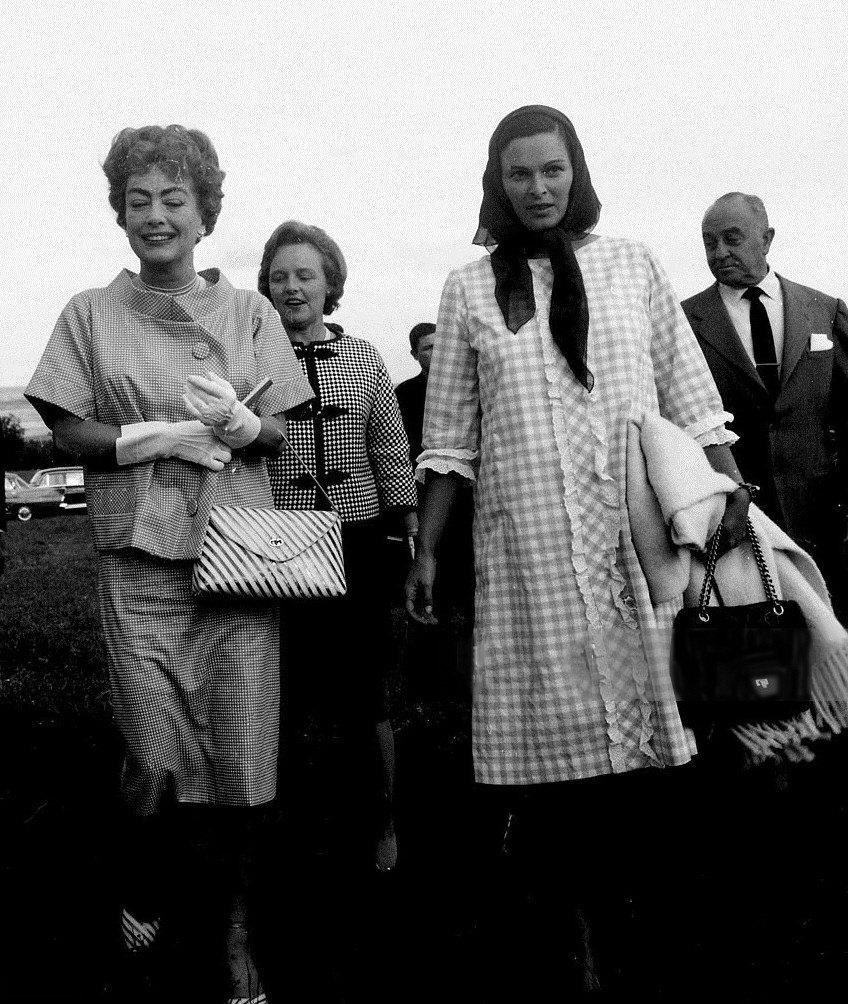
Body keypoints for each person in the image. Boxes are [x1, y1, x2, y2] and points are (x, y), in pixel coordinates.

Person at [405, 105, 752, 999]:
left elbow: (694, 402)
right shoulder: (468, 290)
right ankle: (576, 951)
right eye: (519, 174)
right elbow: (447, 437)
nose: (538, 189)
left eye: (552, 170)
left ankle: (656, 942)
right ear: (498, 180)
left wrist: (734, 505)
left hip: (634, 549)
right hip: (530, 559)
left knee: (653, 773)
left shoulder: (632, 266)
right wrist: (429, 553)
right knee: (555, 780)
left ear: (577, 170)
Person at [25, 125, 312, 1004]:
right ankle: (146, 873)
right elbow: (65, 429)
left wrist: (234, 425)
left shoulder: (251, 314)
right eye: (139, 200)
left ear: (203, 212)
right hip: (141, 559)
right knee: (151, 754)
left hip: (238, 558)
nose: (156, 217)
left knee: (243, 756)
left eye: (173, 201)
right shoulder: (89, 313)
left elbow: (281, 429)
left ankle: (233, 932)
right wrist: (164, 437)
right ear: (121, 211)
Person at [257, 222, 417, 884]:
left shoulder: (367, 358)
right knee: (281, 693)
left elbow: (388, 447)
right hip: (273, 546)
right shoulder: (249, 356)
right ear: (265, 287)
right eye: (279, 277)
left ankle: (382, 816)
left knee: (366, 694)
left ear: (331, 284)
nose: (292, 287)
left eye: (305, 275)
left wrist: (404, 522)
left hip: (354, 542)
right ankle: (282, 819)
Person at [682, 193, 848, 619]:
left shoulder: (824, 312)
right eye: (709, 242)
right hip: (742, 529)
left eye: (732, 239)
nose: (720, 253)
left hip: (827, 527)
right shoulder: (683, 324)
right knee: (767, 661)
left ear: (767, 238)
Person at [395, 322, 474, 697]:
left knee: (474, 588)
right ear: (414, 354)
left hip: (472, 501)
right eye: (427, 348)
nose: (436, 353)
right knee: (434, 585)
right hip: (430, 500)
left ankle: (473, 672)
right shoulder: (405, 394)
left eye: (441, 346)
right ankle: (433, 677)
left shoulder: (469, 387)